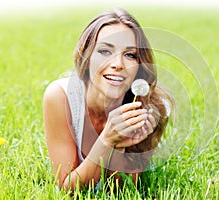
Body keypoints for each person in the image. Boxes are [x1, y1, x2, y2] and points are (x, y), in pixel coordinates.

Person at [43, 8, 172, 191]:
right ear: (86, 56)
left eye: (130, 55)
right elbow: (68, 190)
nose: (118, 64)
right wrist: (106, 140)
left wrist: (119, 147)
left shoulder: (145, 106)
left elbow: (120, 190)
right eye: (105, 51)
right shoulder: (60, 97)